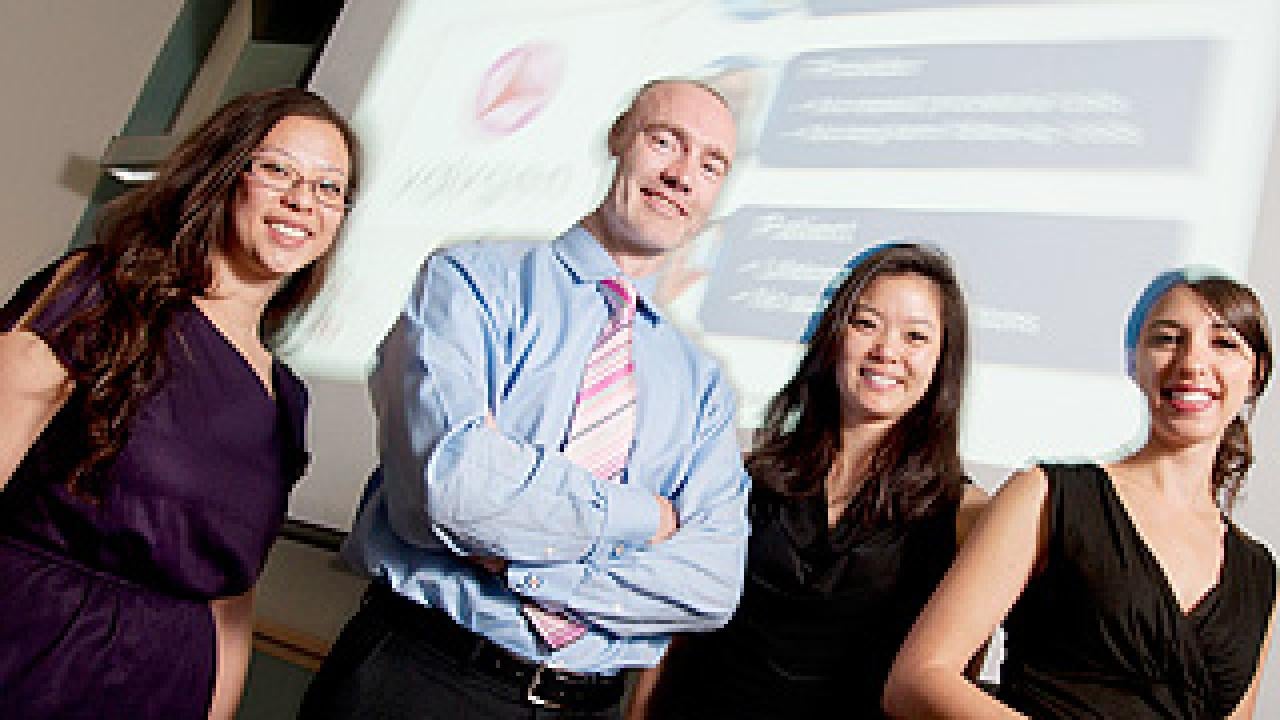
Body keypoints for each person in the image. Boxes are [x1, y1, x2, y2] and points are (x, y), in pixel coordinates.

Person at [297, 79, 750, 719]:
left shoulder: (701, 387)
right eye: (665, 141)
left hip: (585, 705)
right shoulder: (473, 282)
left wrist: (523, 565)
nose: (682, 176)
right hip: (423, 678)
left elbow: (712, 584)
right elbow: (458, 490)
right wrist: (644, 519)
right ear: (619, 138)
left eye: (711, 164)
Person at [0, 87, 359, 719]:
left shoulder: (285, 400)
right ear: (224, 174)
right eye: (278, 170)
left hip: (168, 684)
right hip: (32, 644)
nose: (303, 200)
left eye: (330, 187)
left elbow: (230, 602)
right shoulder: (100, 293)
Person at [884, 272, 1276, 718]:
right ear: (1134, 362)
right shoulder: (1046, 496)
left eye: (1224, 343)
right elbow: (917, 680)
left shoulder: (1259, 572)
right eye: (1167, 339)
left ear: (1256, 375)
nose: (1192, 364)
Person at [629, 243, 988, 719]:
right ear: (833, 335)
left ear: (943, 360)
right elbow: (674, 628)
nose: (886, 351)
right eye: (866, 324)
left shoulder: (967, 518)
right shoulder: (744, 474)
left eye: (915, 336)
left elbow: (947, 689)